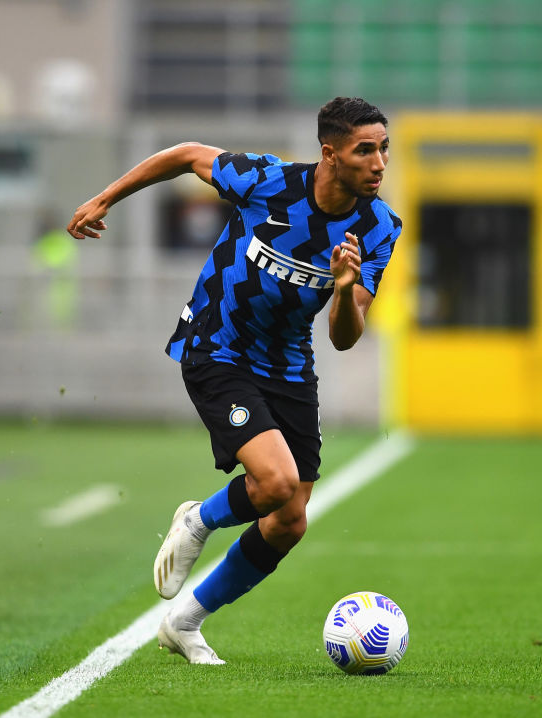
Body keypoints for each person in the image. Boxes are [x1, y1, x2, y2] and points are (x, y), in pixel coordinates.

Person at [67, 97, 402, 665]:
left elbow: (346, 337)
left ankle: (184, 622)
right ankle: (198, 519)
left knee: (289, 520)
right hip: (217, 348)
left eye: (384, 149)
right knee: (275, 482)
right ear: (330, 154)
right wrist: (105, 199)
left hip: (289, 366)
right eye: (364, 150)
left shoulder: (379, 227)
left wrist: (345, 290)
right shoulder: (268, 181)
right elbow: (186, 155)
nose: (379, 163)